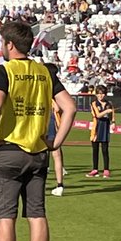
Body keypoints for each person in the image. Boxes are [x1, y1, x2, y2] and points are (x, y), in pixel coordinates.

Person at [0, 20, 76, 241]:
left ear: (9, 44)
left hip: (8, 150)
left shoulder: (4, 70)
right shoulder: (44, 71)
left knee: (6, 216)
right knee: (37, 214)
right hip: (38, 151)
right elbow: (70, 107)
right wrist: (56, 142)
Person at [45, 62, 68, 196]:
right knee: (57, 154)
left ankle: (57, 184)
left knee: (50, 154)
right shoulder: (58, 88)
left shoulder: (48, 88)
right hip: (54, 124)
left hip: (49, 123)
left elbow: (57, 108)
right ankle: (59, 184)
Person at [87, 85, 112, 178]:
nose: (101, 96)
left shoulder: (109, 103)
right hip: (96, 128)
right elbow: (97, 115)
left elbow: (111, 115)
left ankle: (106, 170)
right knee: (95, 150)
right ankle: (95, 169)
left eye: (102, 94)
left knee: (105, 150)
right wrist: (106, 112)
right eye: (99, 94)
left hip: (105, 127)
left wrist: (113, 122)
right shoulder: (94, 103)